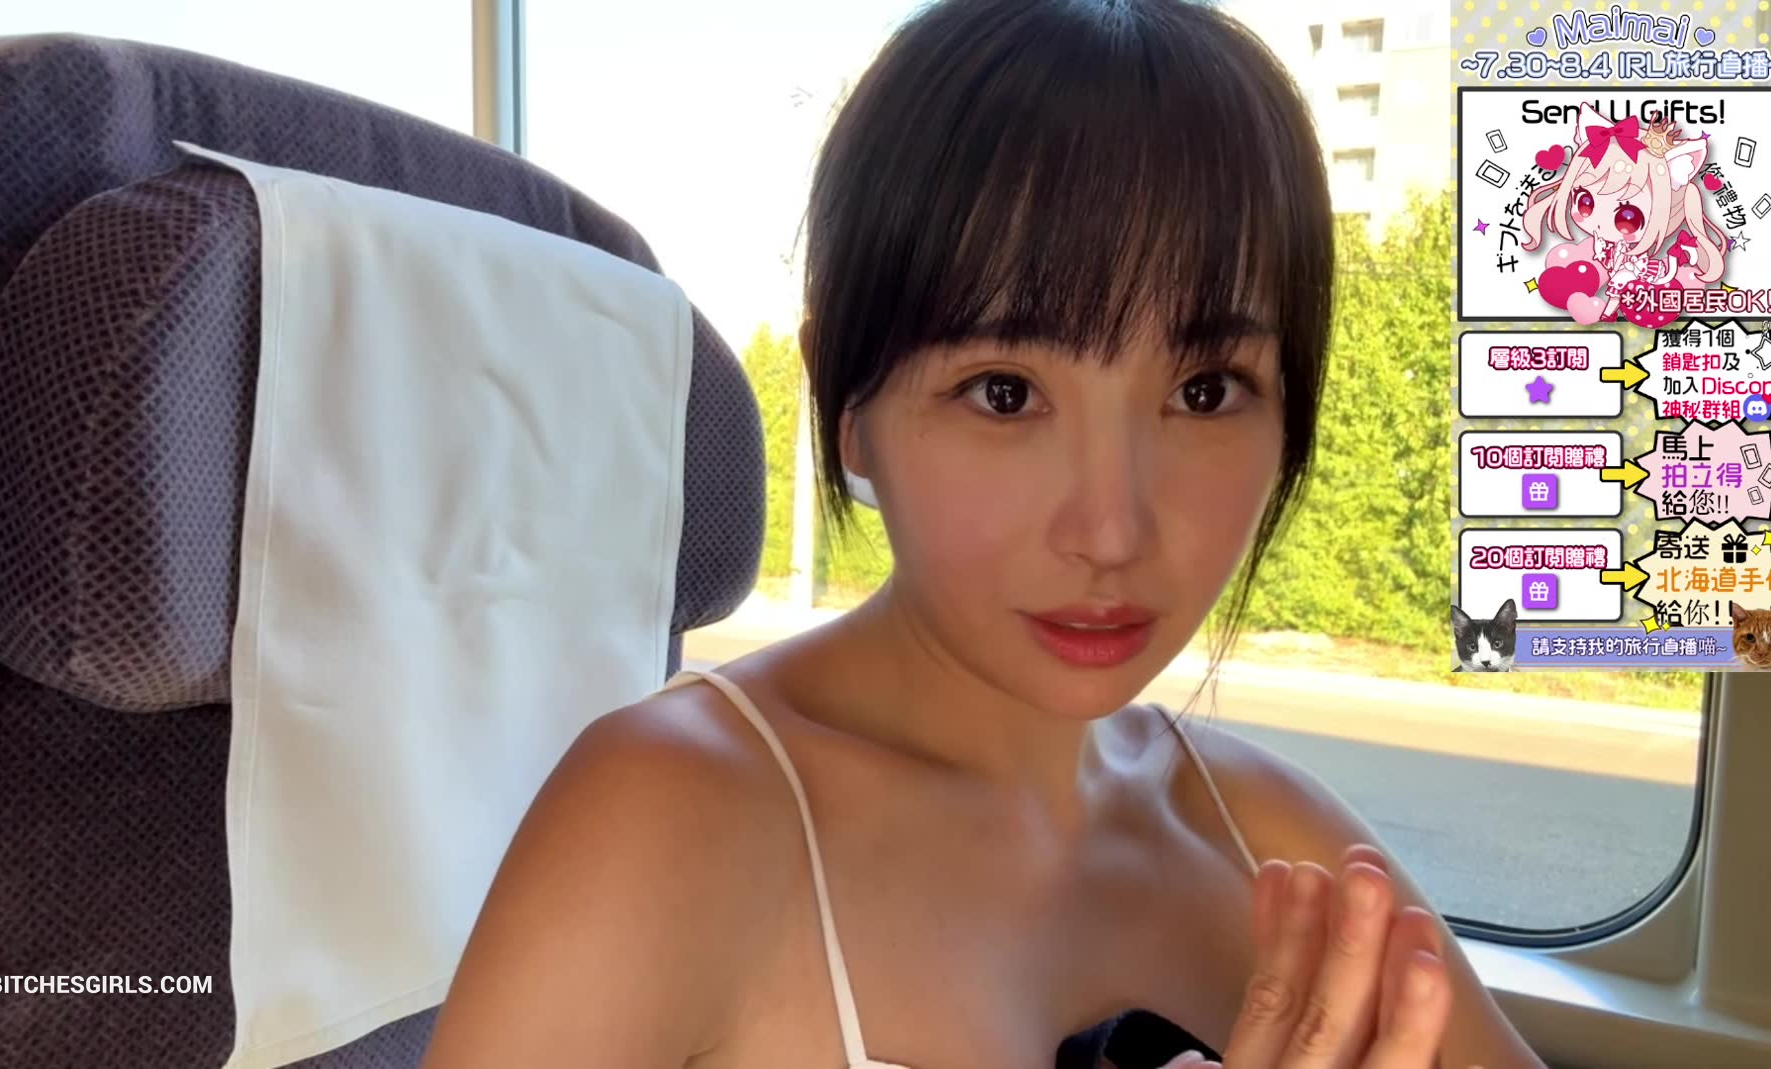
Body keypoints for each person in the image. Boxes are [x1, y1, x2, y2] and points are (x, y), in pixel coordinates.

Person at [421, 1, 1546, 1066]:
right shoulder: (665, 821)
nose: (1111, 529)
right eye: (1004, 393)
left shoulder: (1278, 841)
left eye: (1204, 391)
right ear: (846, 406)